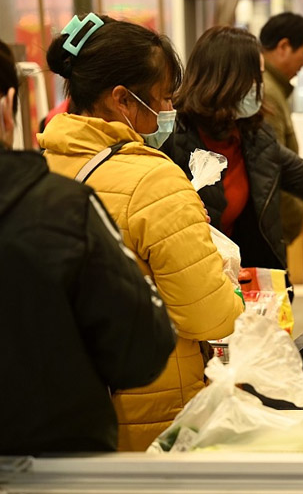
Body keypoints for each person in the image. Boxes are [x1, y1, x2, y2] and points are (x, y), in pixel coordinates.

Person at [38, 13, 244, 451]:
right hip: (152, 415)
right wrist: (230, 290)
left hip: (68, 411)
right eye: (164, 98)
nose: (169, 112)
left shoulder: (38, 167)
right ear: (122, 100)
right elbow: (209, 316)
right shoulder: (152, 180)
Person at [0, 38, 175, 454]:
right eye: (165, 97)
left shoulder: (54, 164)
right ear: (7, 108)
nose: (170, 109)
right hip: (55, 461)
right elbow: (142, 351)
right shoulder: (62, 208)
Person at [164, 26, 303, 273]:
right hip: (197, 276)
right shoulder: (172, 140)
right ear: (228, 79)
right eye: (255, 78)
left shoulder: (254, 135)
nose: (260, 87)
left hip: (249, 276)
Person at [259, 12, 303, 246]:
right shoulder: (268, 93)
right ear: (283, 46)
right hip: (275, 233)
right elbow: (272, 169)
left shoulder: (274, 88)